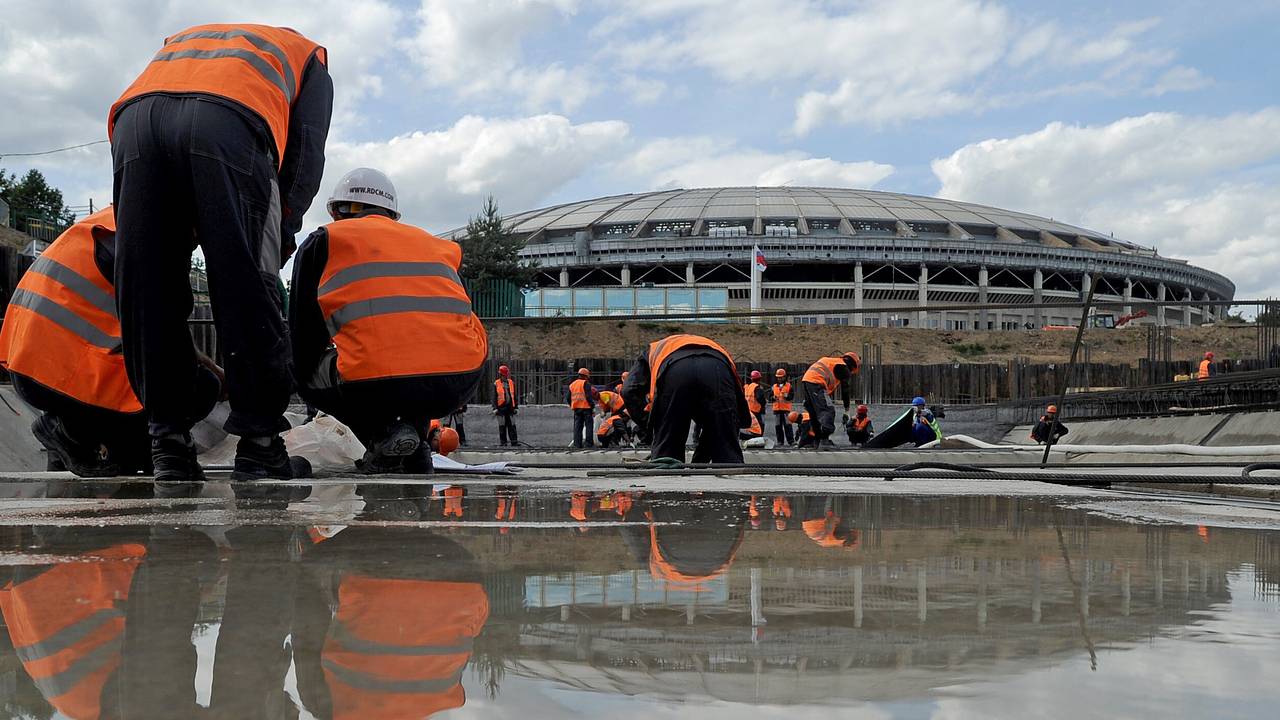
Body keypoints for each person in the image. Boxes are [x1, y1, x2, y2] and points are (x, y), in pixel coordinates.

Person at [109, 23, 333, 489]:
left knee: (148, 287)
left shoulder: (184, 42)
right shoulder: (310, 59)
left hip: (134, 123)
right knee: (245, 286)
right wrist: (282, 230)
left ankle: (167, 444)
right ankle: (260, 446)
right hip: (231, 123)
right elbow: (305, 156)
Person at [289, 168, 487, 474]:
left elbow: (304, 331)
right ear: (392, 214)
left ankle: (381, 437)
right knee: (413, 364)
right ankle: (416, 446)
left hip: (375, 385)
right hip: (460, 379)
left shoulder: (326, 240)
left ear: (336, 210)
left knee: (307, 369)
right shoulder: (437, 245)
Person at [0, 208, 220, 480]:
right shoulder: (145, 239)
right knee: (199, 385)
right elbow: (160, 331)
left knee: (176, 373)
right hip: (56, 374)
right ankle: (72, 433)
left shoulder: (115, 222)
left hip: (28, 364)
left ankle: (94, 441)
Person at [621, 334, 749, 464]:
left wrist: (649, 425)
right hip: (718, 367)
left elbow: (628, 390)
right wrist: (699, 463)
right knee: (727, 449)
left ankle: (666, 474)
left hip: (674, 371)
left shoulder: (652, 351)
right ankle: (731, 475)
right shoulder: (712, 349)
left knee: (667, 454)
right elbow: (720, 425)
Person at [801, 352, 860, 448]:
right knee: (828, 410)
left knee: (814, 414)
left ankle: (817, 441)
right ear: (852, 365)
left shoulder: (831, 362)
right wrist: (847, 410)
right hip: (816, 383)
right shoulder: (843, 367)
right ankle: (824, 440)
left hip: (807, 381)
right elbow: (845, 389)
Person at [568, 368, 598, 448]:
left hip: (577, 409)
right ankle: (589, 444)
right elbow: (588, 397)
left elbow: (568, 398)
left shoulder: (572, 384)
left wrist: (572, 405)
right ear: (586, 376)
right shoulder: (586, 384)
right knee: (589, 426)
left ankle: (577, 445)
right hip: (586, 408)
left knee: (577, 427)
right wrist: (593, 406)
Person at [492, 364, 519, 446]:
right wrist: (495, 408)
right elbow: (494, 397)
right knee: (502, 426)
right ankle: (503, 442)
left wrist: (516, 407)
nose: (505, 377)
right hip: (501, 408)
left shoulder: (511, 383)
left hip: (510, 408)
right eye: (504, 375)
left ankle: (514, 442)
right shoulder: (496, 383)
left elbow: (514, 396)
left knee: (512, 425)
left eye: (506, 375)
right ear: (500, 375)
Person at [771, 368, 795, 446]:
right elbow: (770, 397)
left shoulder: (789, 386)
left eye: (781, 377)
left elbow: (791, 396)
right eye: (778, 377)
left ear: (784, 377)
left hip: (786, 410)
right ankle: (780, 441)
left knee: (788, 426)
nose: (779, 379)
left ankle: (791, 441)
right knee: (778, 426)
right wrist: (773, 398)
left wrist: (787, 396)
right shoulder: (774, 386)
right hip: (777, 410)